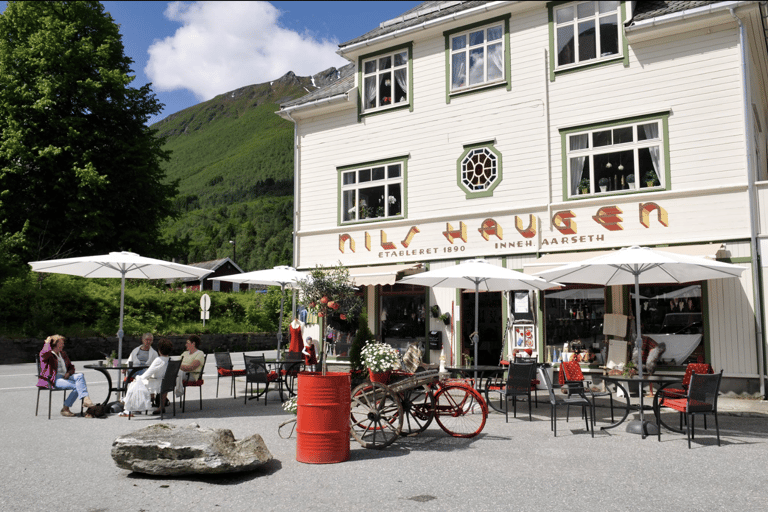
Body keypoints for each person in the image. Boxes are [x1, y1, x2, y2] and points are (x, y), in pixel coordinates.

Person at [38, 335, 95, 417]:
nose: (63, 345)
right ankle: (65, 408)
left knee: (80, 375)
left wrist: (68, 373)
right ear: (55, 344)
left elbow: (71, 367)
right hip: (54, 379)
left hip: (65, 376)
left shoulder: (63, 354)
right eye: (61, 343)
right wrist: (47, 343)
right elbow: (43, 353)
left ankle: (86, 399)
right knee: (77, 387)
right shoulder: (48, 355)